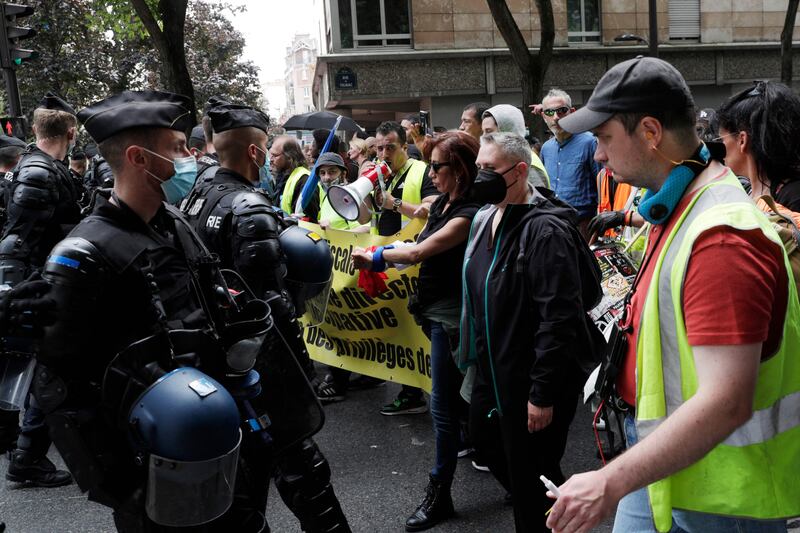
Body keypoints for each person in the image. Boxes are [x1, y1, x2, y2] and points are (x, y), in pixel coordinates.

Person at [547, 57, 800, 533]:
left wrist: (608, 482)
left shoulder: (721, 238)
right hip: (666, 462)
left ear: (649, 131)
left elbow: (727, 402)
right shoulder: (682, 203)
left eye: (604, 138)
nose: (597, 155)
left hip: (721, 496)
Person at [32, 89, 271, 531]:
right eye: (178, 149)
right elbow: (57, 381)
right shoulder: (85, 252)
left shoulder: (175, 223)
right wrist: (121, 482)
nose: (192, 157)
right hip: (155, 465)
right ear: (140, 159)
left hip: (216, 438)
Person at [180, 100, 350, 533]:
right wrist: (300, 372)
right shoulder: (248, 207)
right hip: (260, 364)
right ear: (255, 153)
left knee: (243, 479)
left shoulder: (200, 192)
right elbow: (271, 306)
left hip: (216, 358)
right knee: (302, 469)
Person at [461, 132, 603, 533]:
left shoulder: (545, 232)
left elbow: (558, 319)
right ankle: (558, 501)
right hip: (495, 369)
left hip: (532, 378)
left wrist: (541, 394)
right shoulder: (488, 216)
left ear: (520, 172)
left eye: (490, 169)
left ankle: (553, 517)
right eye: (479, 168)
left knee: (528, 480)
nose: (481, 177)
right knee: (487, 443)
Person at [353, 131, 481, 531]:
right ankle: (516, 473)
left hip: (452, 319)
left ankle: (439, 492)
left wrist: (375, 257)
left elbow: (419, 251)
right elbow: (421, 215)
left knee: (443, 407)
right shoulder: (445, 201)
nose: (431, 173)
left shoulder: (469, 212)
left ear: (459, 170)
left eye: (438, 167)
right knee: (466, 402)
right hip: (438, 314)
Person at [0, 92, 85, 489]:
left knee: (43, 368)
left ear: (35, 129)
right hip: (40, 283)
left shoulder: (36, 168)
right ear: (71, 132)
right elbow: (23, 239)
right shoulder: (39, 173)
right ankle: (28, 456)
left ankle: (26, 452)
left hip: (37, 282)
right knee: (49, 369)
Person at [716, 80, 800, 212]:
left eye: (721, 140)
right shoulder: (745, 191)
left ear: (742, 140)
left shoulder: (794, 198)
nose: (719, 149)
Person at [536, 89, 602, 240]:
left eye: (562, 111)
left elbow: (603, 188)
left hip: (584, 226)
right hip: (554, 225)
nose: (556, 117)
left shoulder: (590, 143)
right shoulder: (546, 148)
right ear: (543, 115)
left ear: (572, 112)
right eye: (550, 112)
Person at [480, 104, 550, 188]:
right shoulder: (509, 158)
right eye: (483, 131)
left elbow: (535, 199)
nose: (483, 137)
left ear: (507, 131)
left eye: (489, 131)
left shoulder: (530, 164)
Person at [270, 134, 321, 221]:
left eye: (275, 155)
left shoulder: (304, 180)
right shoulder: (283, 176)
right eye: (271, 154)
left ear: (289, 157)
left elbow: (308, 220)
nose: (270, 159)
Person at [317, 152, 365, 230]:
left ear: (343, 174)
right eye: (322, 173)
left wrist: (332, 233)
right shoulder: (326, 197)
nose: (327, 177)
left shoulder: (352, 196)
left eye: (332, 172)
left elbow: (365, 230)